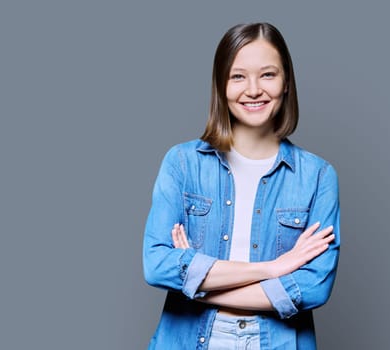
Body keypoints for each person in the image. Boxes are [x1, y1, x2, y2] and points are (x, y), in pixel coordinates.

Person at [143, 22, 340, 349]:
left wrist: (198, 282)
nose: (253, 90)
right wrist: (273, 268)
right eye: (238, 76)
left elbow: (314, 286)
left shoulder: (317, 176)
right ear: (221, 85)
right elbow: (157, 265)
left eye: (267, 74)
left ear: (286, 82)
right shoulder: (182, 163)